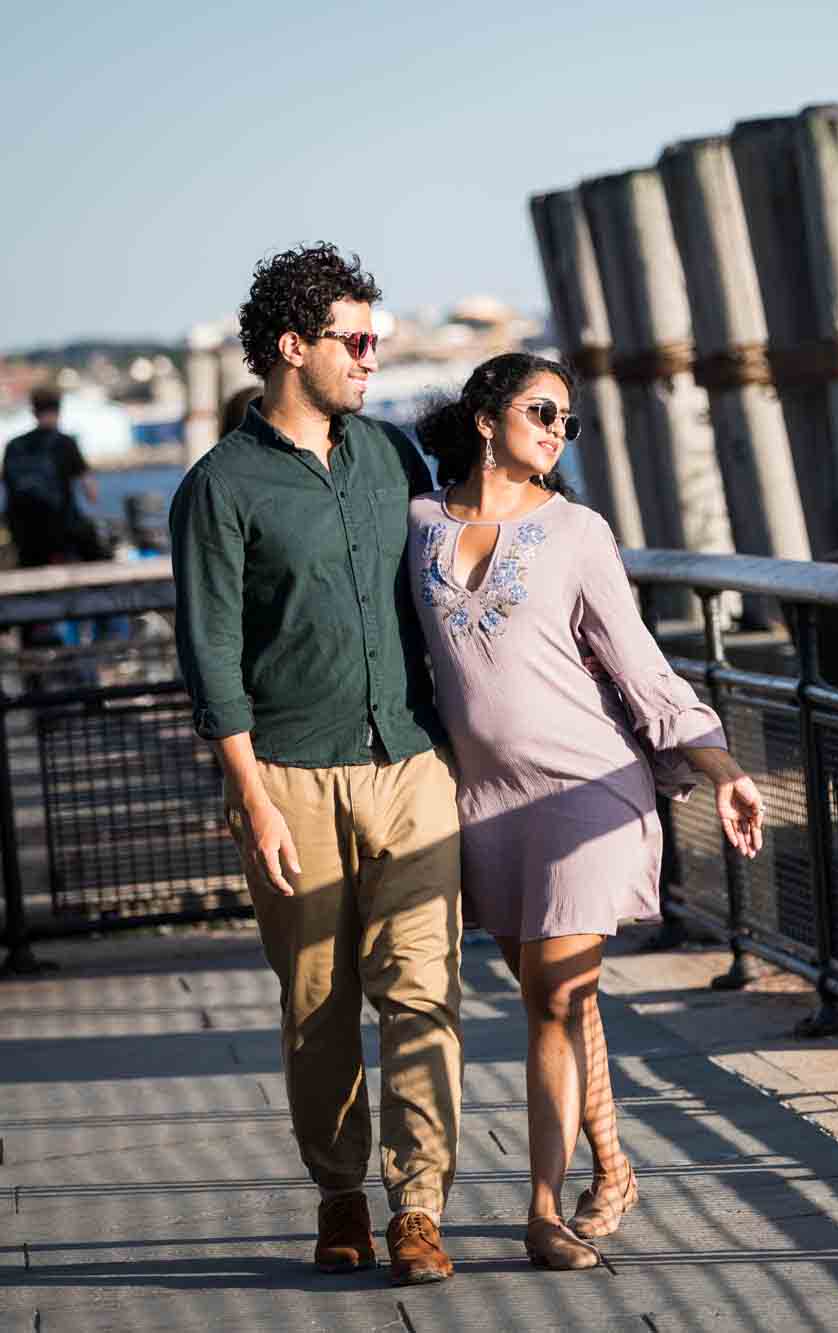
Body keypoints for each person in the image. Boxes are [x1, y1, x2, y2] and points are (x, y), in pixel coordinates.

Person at [408, 352, 763, 1270]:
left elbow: (643, 670)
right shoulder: (414, 527)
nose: (557, 430)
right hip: (485, 805)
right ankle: (613, 1165)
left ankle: (541, 1212)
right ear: (484, 416)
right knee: (555, 999)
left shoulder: (578, 533)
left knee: (556, 1000)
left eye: (568, 420)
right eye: (541, 410)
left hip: (585, 789)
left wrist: (721, 768)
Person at [168, 243, 464, 1286]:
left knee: (424, 988)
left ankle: (417, 1206)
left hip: (410, 760)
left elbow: (451, 589)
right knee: (318, 1000)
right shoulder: (220, 488)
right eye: (356, 340)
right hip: (290, 771)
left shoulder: (391, 457)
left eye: (375, 339)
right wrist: (252, 799)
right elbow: (208, 650)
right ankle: (340, 1193)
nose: (372, 358)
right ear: (292, 347)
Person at [5, 385, 100, 569]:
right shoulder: (65, 443)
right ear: (59, 409)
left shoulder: (13, 446)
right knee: (94, 548)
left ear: (33, 411)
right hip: (62, 532)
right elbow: (92, 493)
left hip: (25, 535)